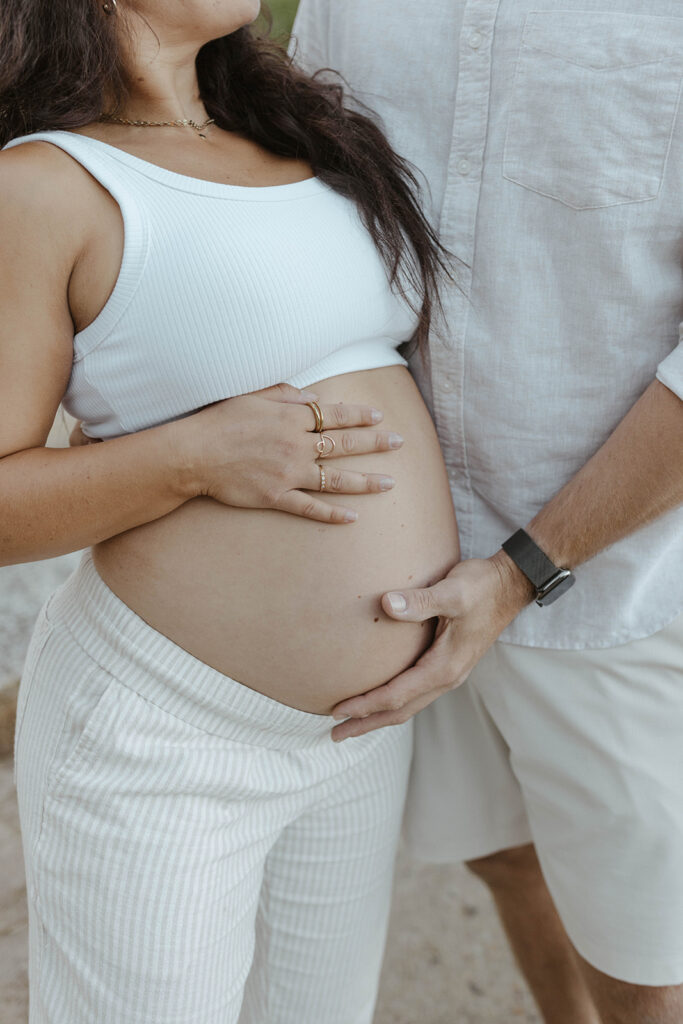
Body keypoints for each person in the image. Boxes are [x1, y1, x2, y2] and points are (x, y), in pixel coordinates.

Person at [0, 1, 463, 1021]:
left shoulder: (293, 129)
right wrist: (191, 456)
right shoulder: (43, 187)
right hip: (164, 743)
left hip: (353, 736)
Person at [291, 2, 683, 1022]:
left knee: (643, 965)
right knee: (502, 855)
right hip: (401, 560)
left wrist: (519, 572)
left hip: (609, 588)